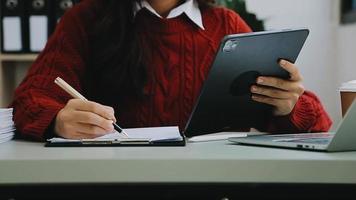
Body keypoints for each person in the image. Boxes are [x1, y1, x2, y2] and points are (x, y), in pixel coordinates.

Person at [11, 0, 332, 140]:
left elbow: (318, 124)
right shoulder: (86, 19)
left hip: (210, 186)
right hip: (112, 184)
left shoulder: (225, 24)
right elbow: (29, 100)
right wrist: (57, 120)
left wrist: (288, 105)